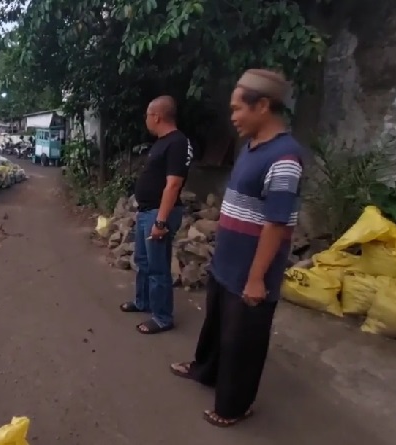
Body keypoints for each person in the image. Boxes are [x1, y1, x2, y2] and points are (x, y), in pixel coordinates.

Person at [169, 69, 304, 427]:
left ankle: (234, 405)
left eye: (236, 109)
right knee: (215, 327)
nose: (232, 117)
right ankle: (206, 371)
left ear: (261, 106)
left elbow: (276, 224)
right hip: (227, 263)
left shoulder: (285, 157)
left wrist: (257, 278)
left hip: (251, 270)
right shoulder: (251, 148)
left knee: (243, 341)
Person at [120, 96, 193, 334]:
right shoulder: (161, 142)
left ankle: (162, 317)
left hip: (158, 214)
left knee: (158, 267)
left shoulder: (177, 143)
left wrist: (161, 221)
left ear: (157, 116)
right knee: (142, 262)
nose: (146, 120)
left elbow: (173, 185)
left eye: (147, 115)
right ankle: (144, 301)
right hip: (146, 212)